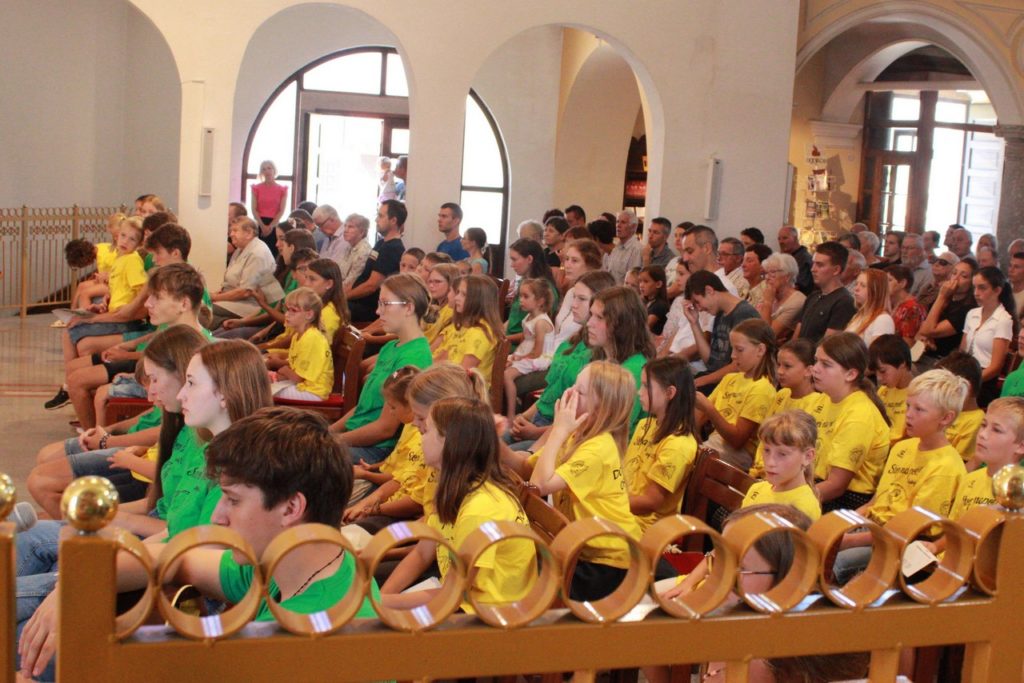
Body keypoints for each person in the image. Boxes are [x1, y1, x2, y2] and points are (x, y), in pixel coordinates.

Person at [381, 397, 534, 610]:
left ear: (449, 442)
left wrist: (381, 605)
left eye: (426, 431)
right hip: (458, 598)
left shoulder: (479, 509)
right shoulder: (452, 487)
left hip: (485, 616)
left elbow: (453, 594)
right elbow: (422, 553)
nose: (420, 435)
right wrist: (382, 598)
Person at [832, 369, 968, 585]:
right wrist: (846, 523)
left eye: (919, 409)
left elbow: (912, 530)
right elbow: (876, 501)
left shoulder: (946, 466)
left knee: (834, 563)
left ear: (946, 418)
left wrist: (849, 540)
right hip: (873, 529)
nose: (909, 414)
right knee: (815, 543)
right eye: (908, 406)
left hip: (902, 544)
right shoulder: (902, 448)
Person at [526, 361, 643, 601]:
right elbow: (527, 467)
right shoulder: (578, 434)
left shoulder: (598, 448)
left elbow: (539, 484)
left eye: (579, 391)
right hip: (583, 551)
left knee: (522, 579)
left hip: (609, 562)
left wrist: (557, 430)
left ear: (601, 409)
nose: (569, 392)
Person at [332, 274, 433, 480]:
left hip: (377, 449)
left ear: (409, 308)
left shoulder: (415, 357)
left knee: (301, 455)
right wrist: (328, 431)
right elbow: (363, 408)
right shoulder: (391, 347)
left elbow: (385, 429)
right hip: (357, 437)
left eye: (385, 304)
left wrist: (332, 441)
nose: (378, 312)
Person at [507, 271, 616, 449]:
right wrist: (523, 417)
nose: (573, 305)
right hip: (539, 420)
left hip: (558, 433)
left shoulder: (600, 355)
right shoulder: (572, 341)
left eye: (581, 299)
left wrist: (535, 432)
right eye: (573, 297)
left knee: (500, 454)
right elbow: (551, 392)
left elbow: (584, 421)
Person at [812, 332, 891, 511]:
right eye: (816, 361)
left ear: (850, 374)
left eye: (826, 364)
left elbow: (836, 486)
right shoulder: (822, 399)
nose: (815, 369)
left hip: (844, 501)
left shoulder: (860, 414)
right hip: (815, 487)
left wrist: (793, 498)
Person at [342, 367, 426, 530]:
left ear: (410, 405)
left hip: (393, 507)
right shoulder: (411, 426)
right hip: (385, 495)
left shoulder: (421, 437)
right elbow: (398, 469)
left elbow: (413, 500)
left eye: (393, 407)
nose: (391, 413)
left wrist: (370, 508)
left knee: (346, 526)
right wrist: (372, 468)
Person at [624, 357, 699, 531]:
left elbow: (650, 502)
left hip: (643, 528)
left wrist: (607, 503)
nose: (639, 392)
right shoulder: (645, 425)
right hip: (624, 511)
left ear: (669, 393)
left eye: (646, 386)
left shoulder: (679, 445)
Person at [695, 318, 777, 470]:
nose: (732, 355)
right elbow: (698, 417)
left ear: (760, 350)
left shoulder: (763, 388)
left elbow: (737, 440)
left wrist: (709, 409)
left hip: (738, 456)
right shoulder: (730, 378)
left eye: (739, 350)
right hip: (714, 446)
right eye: (732, 349)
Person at [749, 339, 826, 479]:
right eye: (778, 365)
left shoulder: (817, 403)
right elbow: (764, 438)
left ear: (809, 371)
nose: (780, 371)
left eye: (787, 366)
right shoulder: (782, 394)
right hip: (761, 470)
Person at [683, 270, 761, 392]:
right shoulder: (720, 313)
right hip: (716, 380)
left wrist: (703, 380)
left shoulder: (744, 314)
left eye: (697, 302)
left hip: (734, 384)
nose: (699, 309)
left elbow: (739, 365)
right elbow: (710, 362)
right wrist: (694, 323)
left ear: (709, 290)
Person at [742, 411, 822, 520]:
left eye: (782, 454)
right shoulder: (757, 488)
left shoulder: (804, 507)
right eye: (767, 450)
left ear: (808, 457)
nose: (770, 462)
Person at [265, 287, 333, 401]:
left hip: (313, 392)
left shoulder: (312, 338)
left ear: (309, 315)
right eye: (287, 309)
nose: (287, 314)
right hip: (301, 386)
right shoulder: (298, 335)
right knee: (261, 382)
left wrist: (284, 370)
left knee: (260, 391)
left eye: (293, 310)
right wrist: (275, 376)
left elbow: (298, 378)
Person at [963, 266, 1017, 407]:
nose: (976, 293)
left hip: (985, 380)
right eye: (974, 287)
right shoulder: (972, 313)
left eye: (982, 288)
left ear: (997, 290)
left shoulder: (1003, 320)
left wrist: (970, 383)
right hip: (966, 371)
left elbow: (996, 366)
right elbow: (962, 351)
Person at [432, 274, 503, 381]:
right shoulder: (461, 326)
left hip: (464, 386)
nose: (456, 298)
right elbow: (442, 358)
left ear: (479, 300)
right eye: (458, 292)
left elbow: (463, 374)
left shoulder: (479, 333)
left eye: (464, 294)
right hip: (448, 379)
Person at [210, 216, 277, 330]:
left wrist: (216, 297)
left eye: (235, 230)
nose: (231, 234)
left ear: (249, 233)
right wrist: (217, 294)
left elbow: (246, 291)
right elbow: (231, 281)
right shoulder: (240, 249)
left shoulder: (257, 253)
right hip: (236, 300)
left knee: (203, 311)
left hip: (251, 304)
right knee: (200, 307)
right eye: (231, 231)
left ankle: (230, 326)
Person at [503, 279, 555, 422]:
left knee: (507, 375)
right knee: (499, 364)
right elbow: (525, 337)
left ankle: (511, 413)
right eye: (520, 296)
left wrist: (517, 358)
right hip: (526, 353)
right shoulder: (529, 316)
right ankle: (514, 398)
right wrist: (515, 354)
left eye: (526, 296)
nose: (521, 300)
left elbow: (537, 352)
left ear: (540, 301)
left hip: (539, 358)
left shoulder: (541, 322)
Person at [347, 199, 406, 322]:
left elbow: (372, 286)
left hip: (368, 307)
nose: (376, 220)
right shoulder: (381, 243)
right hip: (357, 301)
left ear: (393, 220)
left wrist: (344, 297)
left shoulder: (393, 248)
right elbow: (364, 276)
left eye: (381, 216)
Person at [917, 258, 976, 371]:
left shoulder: (967, 309)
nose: (956, 278)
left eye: (963, 276)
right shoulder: (946, 300)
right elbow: (922, 329)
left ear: (972, 283)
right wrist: (928, 337)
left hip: (942, 362)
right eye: (954, 273)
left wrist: (941, 296)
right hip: (925, 355)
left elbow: (928, 330)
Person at [794, 241, 856, 344]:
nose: (813, 269)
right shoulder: (813, 296)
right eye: (813, 263)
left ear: (836, 270)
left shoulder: (844, 302)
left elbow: (828, 344)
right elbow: (797, 335)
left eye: (820, 265)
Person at [504, 238, 559, 346]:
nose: (511, 265)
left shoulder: (544, 289)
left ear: (529, 259)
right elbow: (512, 320)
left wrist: (503, 339)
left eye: (514, 260)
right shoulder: (525, 282)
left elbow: (536, 333)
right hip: (508, 340)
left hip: (523, 345)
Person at [937, 352, 986, 466]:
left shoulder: (976, 421)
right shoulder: (943, 409)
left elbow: (959, 465)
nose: (940, 393)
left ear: (966, 388)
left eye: (945, 387)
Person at [870, 334, 914, 445]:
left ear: (902, 363)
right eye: (875, 372)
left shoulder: (919, 394)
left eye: (883, 371)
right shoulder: (882, 391)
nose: (879, 378)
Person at [754, 251, 806, 342]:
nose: (767, 277)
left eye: (772, 272)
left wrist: (767, 303)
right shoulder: (770, 294)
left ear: (787, 277)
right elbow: (751, 326)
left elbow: (767, 336)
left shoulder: (797, 301)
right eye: (766, 273)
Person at [680, 225, 739, 295]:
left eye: (690, 251)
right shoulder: (696, 283)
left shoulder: (725, 288)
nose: (685, 259)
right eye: (684, 252)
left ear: (707, 248)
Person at [845, 268, 894, 347]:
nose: (856, 288)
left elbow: (877, 353)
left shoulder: (883, 319)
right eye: (856, 284)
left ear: (876, 290)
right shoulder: (858, 315)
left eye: (863, 285)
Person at [250, 160, 288, 259]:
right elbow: (254, 209)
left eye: (269, 168)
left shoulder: (282, 189)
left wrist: (270, 227)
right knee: (258, 253)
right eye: (264, 169)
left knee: (273, 253)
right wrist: (262, 226)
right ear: (261, 172)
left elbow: (281, 210)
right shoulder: (256, 188)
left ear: (274, 170)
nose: (267, 171)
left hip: (274, 224)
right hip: (260, 223)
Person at [887, 264, 926, 345]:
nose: (884, 284)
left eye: (889, 280)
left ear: (903, 283)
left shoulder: (912, 308)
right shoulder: (889, 303)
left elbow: (908, 344)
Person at [423, 263, 459, 344]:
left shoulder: (451, 310)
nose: (431, 286)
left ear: (451, 283)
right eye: (430, 281)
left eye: (437, 281)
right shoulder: (431, 305)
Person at [603, 210, 642, 284]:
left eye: (623, 222)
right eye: (617, 222)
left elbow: (632, 281)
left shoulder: (636, 249)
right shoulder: (615, 248)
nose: (618, 225)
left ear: (633, 226)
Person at [336, 213, 373, 287]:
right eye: (345, 226)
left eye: (350, 227)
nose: (345, 230)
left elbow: (352, 281)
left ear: (362, 232)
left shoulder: (364, 251)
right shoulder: (350, 246)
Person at [777, 225, 813, 294]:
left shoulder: (804, 258)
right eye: (779, 239)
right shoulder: (786, 257)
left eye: (785, 238)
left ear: (795, 238)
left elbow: (798, 286)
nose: (781, 242)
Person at [638, 265, 669, 334]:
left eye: (646, 281)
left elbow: (644, 328)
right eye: (640, 281)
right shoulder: (647, 302)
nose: (641, 285)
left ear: (658, 284)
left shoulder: (660, 305)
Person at [742, 243, 772, 308]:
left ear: (763, 266)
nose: (743, 265)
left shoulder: (766, 292)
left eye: (749, 261)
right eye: (743, 261)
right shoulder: (744, 288)